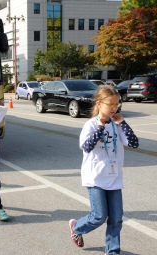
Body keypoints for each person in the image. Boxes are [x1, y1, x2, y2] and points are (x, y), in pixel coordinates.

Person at [69, 85, 139, 254]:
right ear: (99, 104)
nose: (114, 108)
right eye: (111, 104)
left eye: (117, 104)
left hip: (114, 178)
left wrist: (123, 123)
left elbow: (134, 143)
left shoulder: (118, 125)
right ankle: (76, 227)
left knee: (116, 219)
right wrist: (101, 125)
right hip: (95, 177)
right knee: (99, 216)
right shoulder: (90, 125)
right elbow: (87, 146)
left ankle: (112, 250)